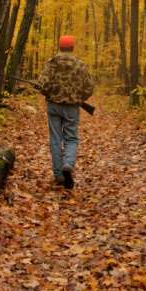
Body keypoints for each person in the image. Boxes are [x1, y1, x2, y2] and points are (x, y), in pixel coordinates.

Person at [39, 35, 94, 189]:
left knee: (55, 139)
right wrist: (79, 98)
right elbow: (89, 87)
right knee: (71, 138)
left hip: (54, 106)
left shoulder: (52, 63)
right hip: (71, 108)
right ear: (72, 48)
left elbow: (44, 85)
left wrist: (48, 93)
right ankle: (68, 165)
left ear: (60, 47)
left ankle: (58, 175)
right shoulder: (80, 65)